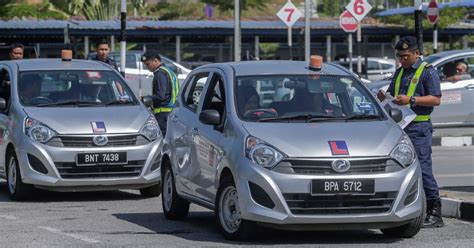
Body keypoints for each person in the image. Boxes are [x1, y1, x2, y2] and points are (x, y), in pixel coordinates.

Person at [377, 36, 444, 228]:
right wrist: (383, 97)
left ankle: (434, 211)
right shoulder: (400, 72)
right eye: (399, 56)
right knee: (398, 168)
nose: (402, 59)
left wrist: (411, 100)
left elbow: (436, 99)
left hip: (418, 128)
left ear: (417, 53)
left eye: (405, 56)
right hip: (398, 127)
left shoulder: (427, 72)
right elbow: (390, 95)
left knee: (423, 169)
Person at [141, 51, 179, 135]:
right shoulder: (168, 71)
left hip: (163, 114)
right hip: (171, 111)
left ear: (156, 61)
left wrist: (144, 99)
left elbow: (160, 95)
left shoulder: (160, 74)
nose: (147, 67)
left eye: (148, 64)